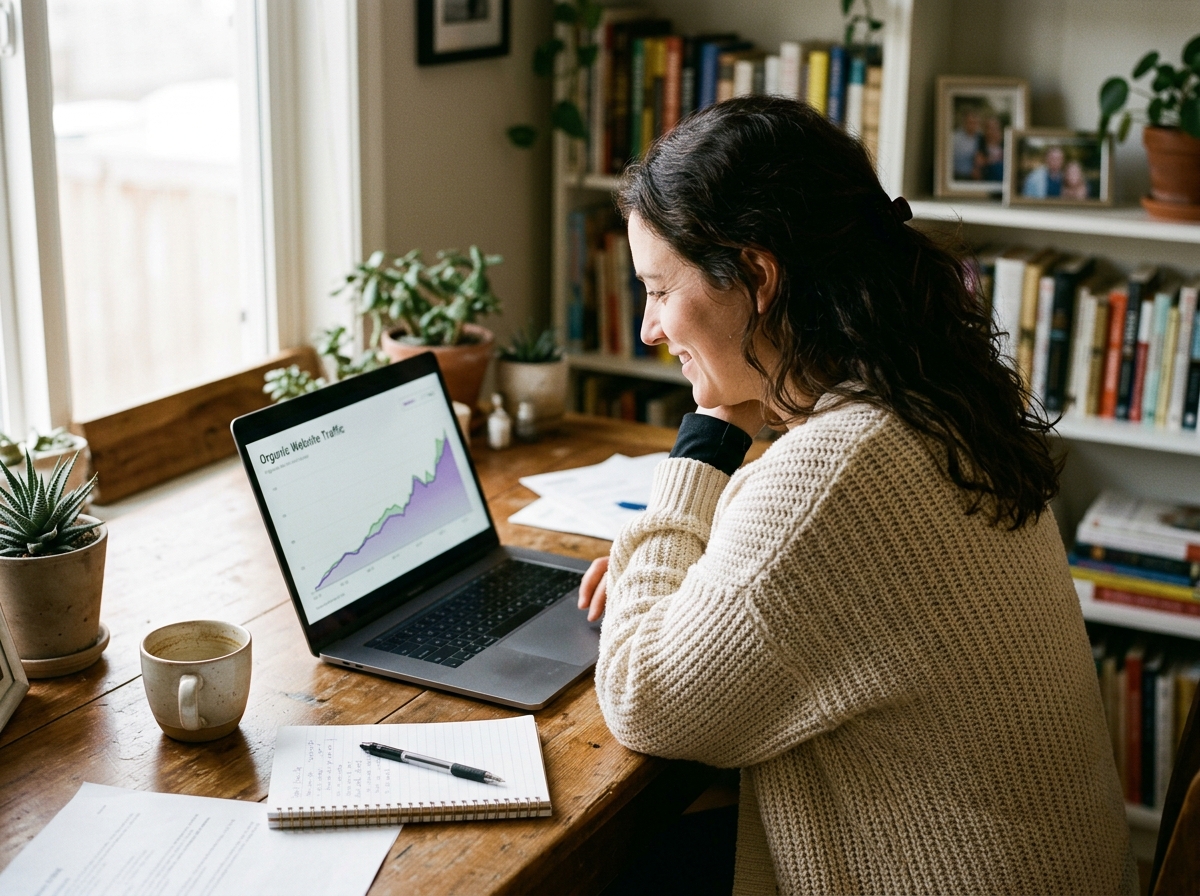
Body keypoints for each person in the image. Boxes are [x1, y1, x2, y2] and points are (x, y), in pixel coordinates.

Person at [576, 96, 1135, 895]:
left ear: (758, 277)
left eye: (660, 290)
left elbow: (641, 696)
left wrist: (707, 435)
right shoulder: (932, 395)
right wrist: (675, 579)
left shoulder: (831, 478)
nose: (648, 331)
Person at [951, 107, 984, 180]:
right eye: (970, 122)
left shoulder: (981, 136)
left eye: (975, 122)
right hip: (959, 176)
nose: (973, 125)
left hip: (976, 177)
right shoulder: (955, 138)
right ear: (964, 122)